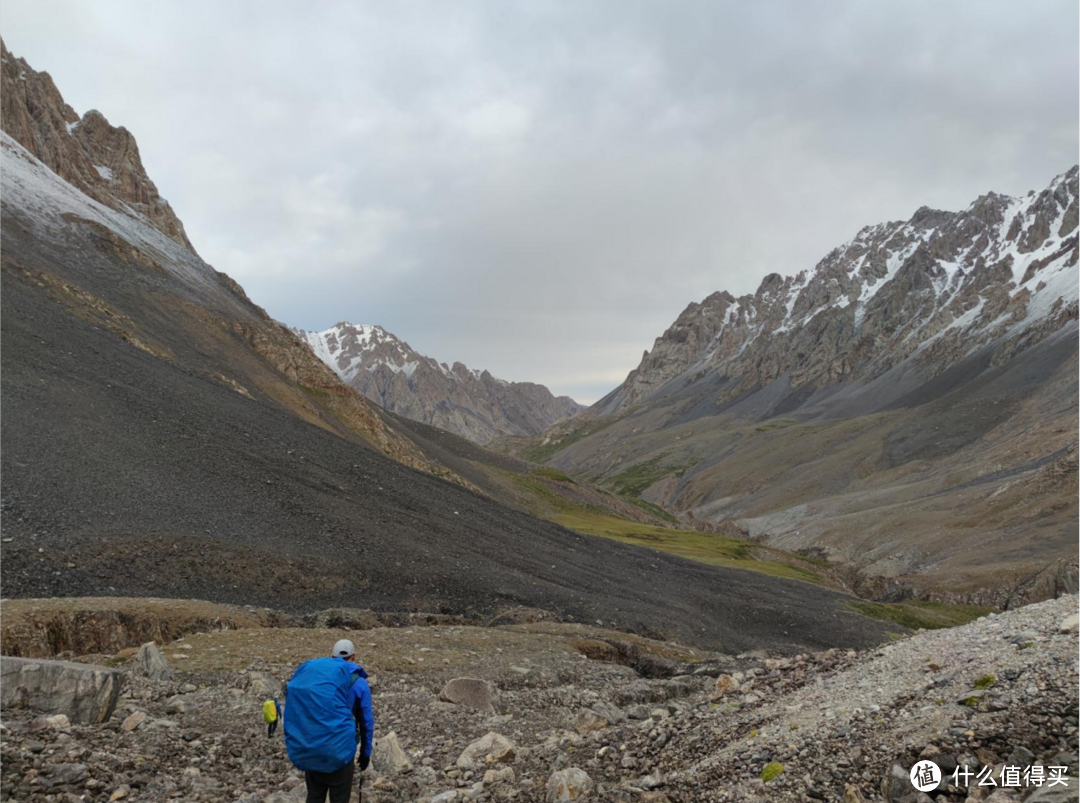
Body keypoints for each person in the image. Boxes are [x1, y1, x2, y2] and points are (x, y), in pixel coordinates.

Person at [283, 638, 374, 803]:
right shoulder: (359, 683)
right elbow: (365, 722)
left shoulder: (320, 680)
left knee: (314, 796)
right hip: (340, 752)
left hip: (311, 748)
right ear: (354, 657)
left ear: (332, 657)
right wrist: (365, 754)